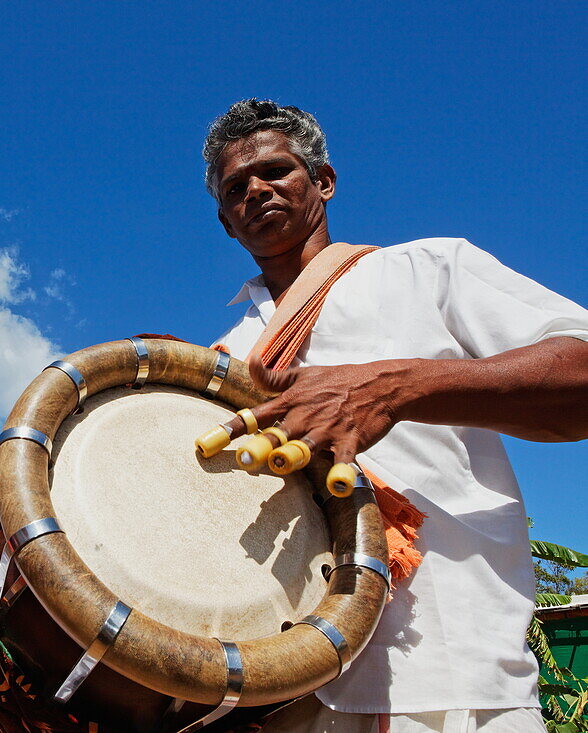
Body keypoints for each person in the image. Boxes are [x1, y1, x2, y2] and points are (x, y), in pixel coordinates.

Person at [202, 99, 588, 732]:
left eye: (275, 170)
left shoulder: (430, 271)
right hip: (287, 692)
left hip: (449, 671)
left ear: (323, 181)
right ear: (225, 222)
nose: (256, 190)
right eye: (235, 188)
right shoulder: (220, 355)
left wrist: (392, 389)